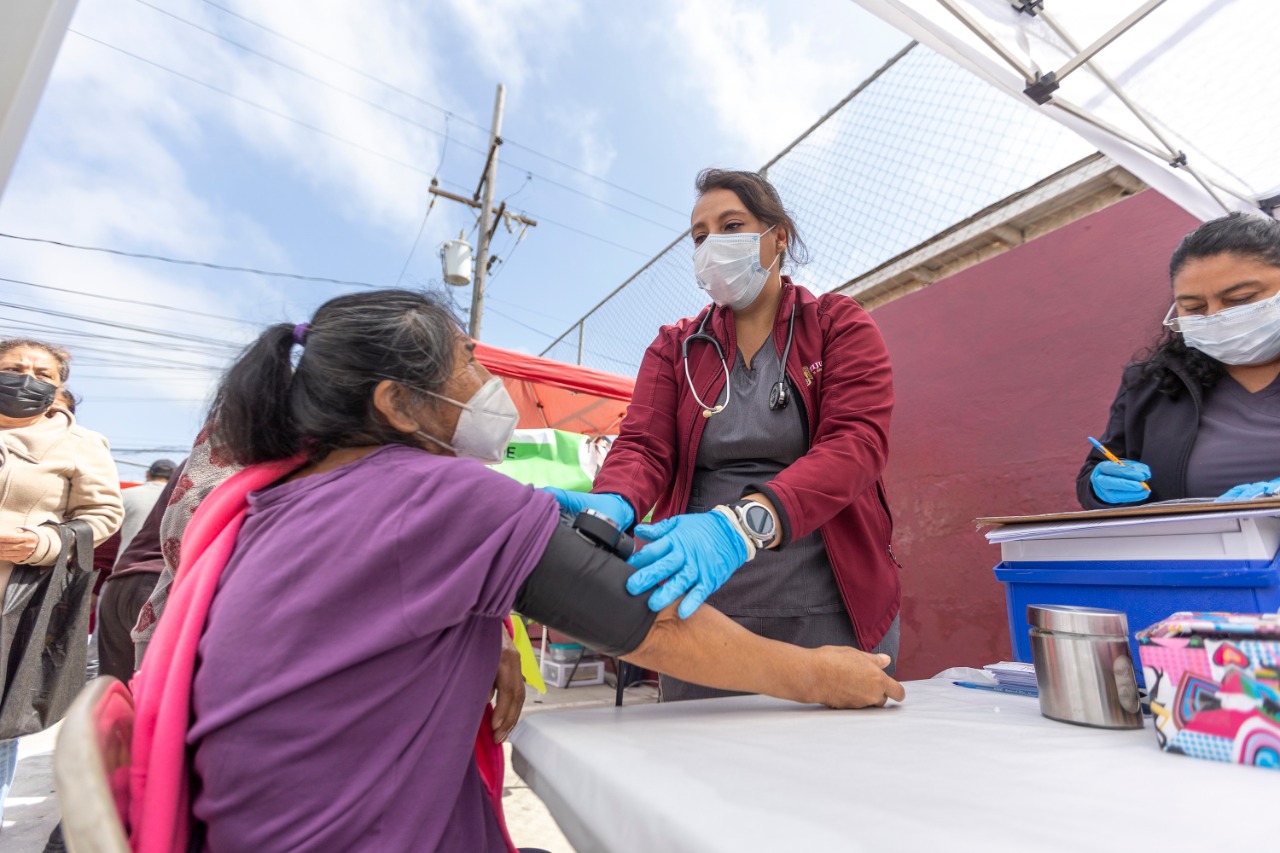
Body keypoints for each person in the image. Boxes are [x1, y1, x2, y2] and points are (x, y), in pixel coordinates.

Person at [126, 291, 904, 853]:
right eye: (468, 360)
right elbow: (655, 621)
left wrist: (482, 622)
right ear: (399, 403)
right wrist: (822, 677)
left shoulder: (264, 507)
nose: (487, 380)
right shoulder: (441, 493)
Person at [546, 169, 901, 702]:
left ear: (777, 236)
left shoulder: (837, 326)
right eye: (699, 236)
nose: (713, 245)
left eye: (731, 225)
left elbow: (856, 444)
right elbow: (643, 447)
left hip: (828, 606)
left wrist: (742, 526)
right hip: (700, 609)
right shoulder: (675, 348)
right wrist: (613, 502)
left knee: (832, 774)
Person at [0, 338, 123, 823]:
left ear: (58, 388)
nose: (27, 379)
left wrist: (44, 544)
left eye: (43, 374)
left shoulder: (81, 445)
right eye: (13, 367)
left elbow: (102, 513)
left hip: (12, 599)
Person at [1079, 213, 1280, 508]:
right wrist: (1099, 488)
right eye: (1194, 307)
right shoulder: (1152, 383)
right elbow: (1097, 471)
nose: (1214, 316)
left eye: (1240, 298)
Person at [97, 460, 184, 682]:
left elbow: (105, 542)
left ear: (147, 473)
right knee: (152, 692)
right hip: (160, 587)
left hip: (119, 582)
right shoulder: (230, 461)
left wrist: (96, 588)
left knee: (111, 689)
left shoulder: (126, 496)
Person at [117, 459, 175, 554]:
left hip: (128, 559)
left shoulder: (124, 495)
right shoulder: (178, 500)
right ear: (174, 478)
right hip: (163, 563)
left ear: (147, 474)